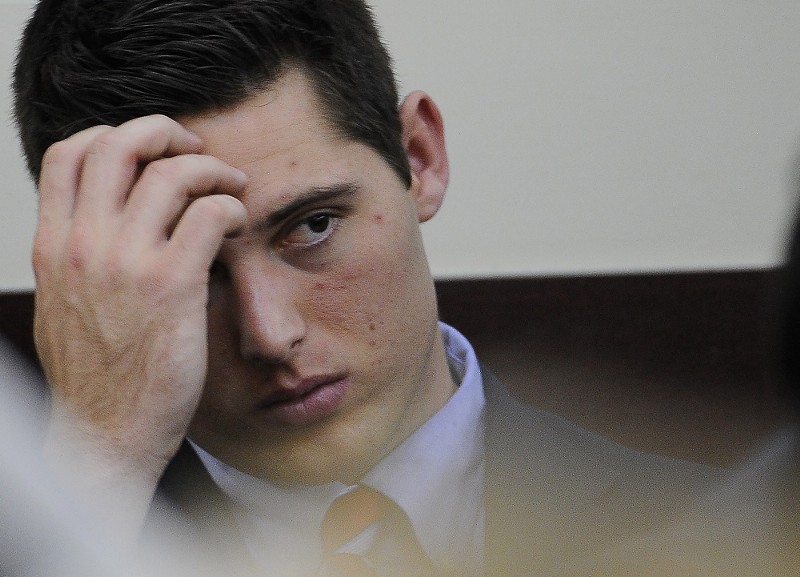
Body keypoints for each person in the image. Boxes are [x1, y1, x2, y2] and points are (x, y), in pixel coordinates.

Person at [11, 1, 720, 575]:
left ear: (420, 157)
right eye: (190, 268)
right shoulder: (66, 539)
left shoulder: (719, 532)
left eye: (313, 225)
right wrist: (97, 466)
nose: (269, 332)